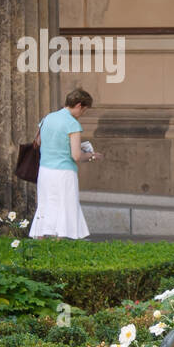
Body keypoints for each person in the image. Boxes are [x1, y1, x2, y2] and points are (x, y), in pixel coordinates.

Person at [29, 88, 102, 239]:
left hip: (45, 171)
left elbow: (38, 142)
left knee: (46, 204)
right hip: (64, 172)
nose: (82, 114)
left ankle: (41, 240)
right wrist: (92, 156)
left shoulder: (48, 118)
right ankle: (59, 240)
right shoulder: (72, 123)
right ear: (79, 105)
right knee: (65, 206)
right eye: (84, 111)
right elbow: (76, 156)